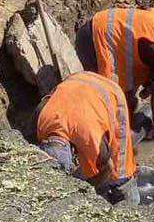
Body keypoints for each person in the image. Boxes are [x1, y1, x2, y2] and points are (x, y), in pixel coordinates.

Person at [37, 71, 140, 204]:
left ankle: (130, 201)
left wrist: (88, 189)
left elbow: (107, 168)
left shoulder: (91, 139)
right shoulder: (41, 120)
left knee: (119, 164)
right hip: (77, 81)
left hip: (110, 93)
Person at [76, 6, 154, 137]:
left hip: (110, 30)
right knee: (108, 97)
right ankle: (98, 138)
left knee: (126, 101)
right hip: (95, 38)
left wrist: (149, 84)